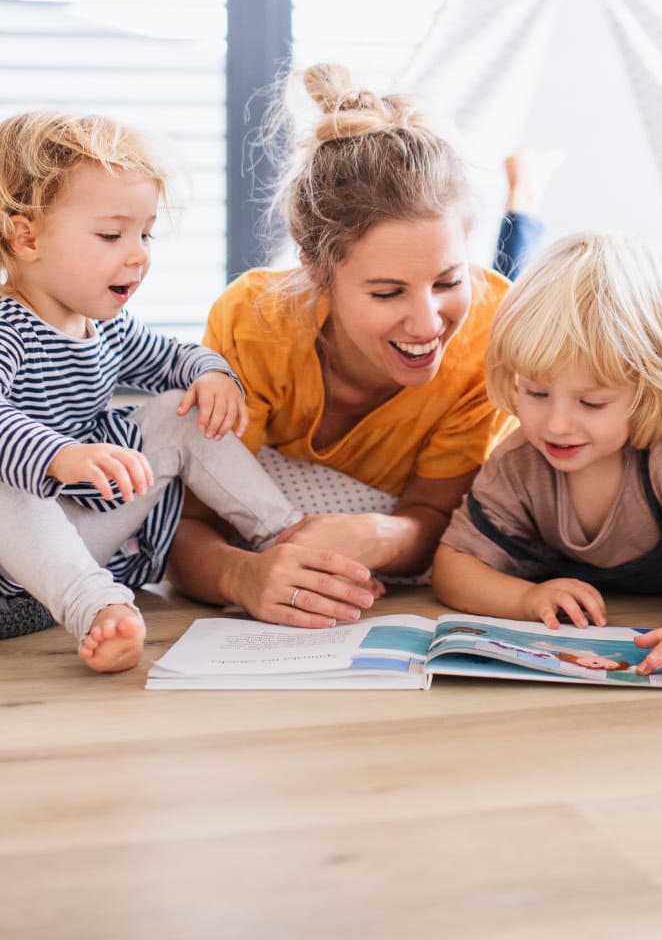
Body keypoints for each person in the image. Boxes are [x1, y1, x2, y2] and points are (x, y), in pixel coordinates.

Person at [168, 65, 538, 627]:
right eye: (387, 292)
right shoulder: (254, 322)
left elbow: (440, 519)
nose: (427, 322)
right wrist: (240, 576)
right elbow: (188, 524)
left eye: (448, 281)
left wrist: (380, 534)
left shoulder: (489, 337)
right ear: (318, 273)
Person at [0, 111, 338, 673]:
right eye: (111, 235)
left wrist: (211, 375)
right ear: (26, 236)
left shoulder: (106, 327)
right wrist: (59, 455)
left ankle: (285, 536)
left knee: (177, 410)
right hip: (14, 569)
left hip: (78, 541)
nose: (137, 255)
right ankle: (97, 607)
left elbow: (175, 357)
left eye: (145, 233)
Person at [431, 232, 662, 689]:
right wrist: (526, 598)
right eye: (535, 392)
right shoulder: (519, 462)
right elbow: (452, 565)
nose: (556, 424)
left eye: (591, 403)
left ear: (651, 393)